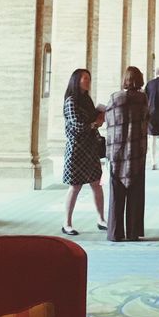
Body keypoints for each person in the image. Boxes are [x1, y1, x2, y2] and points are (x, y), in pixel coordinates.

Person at [104, 66, 150, 241]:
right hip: (136, 150)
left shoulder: (115, 98)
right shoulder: (142, 98)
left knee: (116, 193)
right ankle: (133, 231)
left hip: (117, 150)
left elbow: (108, 119)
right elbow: (147, 118)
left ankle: (115, 232)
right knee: (135, 193)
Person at [62, 68, 107, 236]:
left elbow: (90, 119)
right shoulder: (71, 101)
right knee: (75, 186)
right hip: (77, 148)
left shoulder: (86, 99)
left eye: (89, 78)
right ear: (76, 80)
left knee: (97, 183)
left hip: (90, 147)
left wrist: (100, 114)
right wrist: (95, 123)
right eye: (85, 78)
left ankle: (101, 219)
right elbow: (77, 125)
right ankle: (66, 223)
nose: (88, 81)